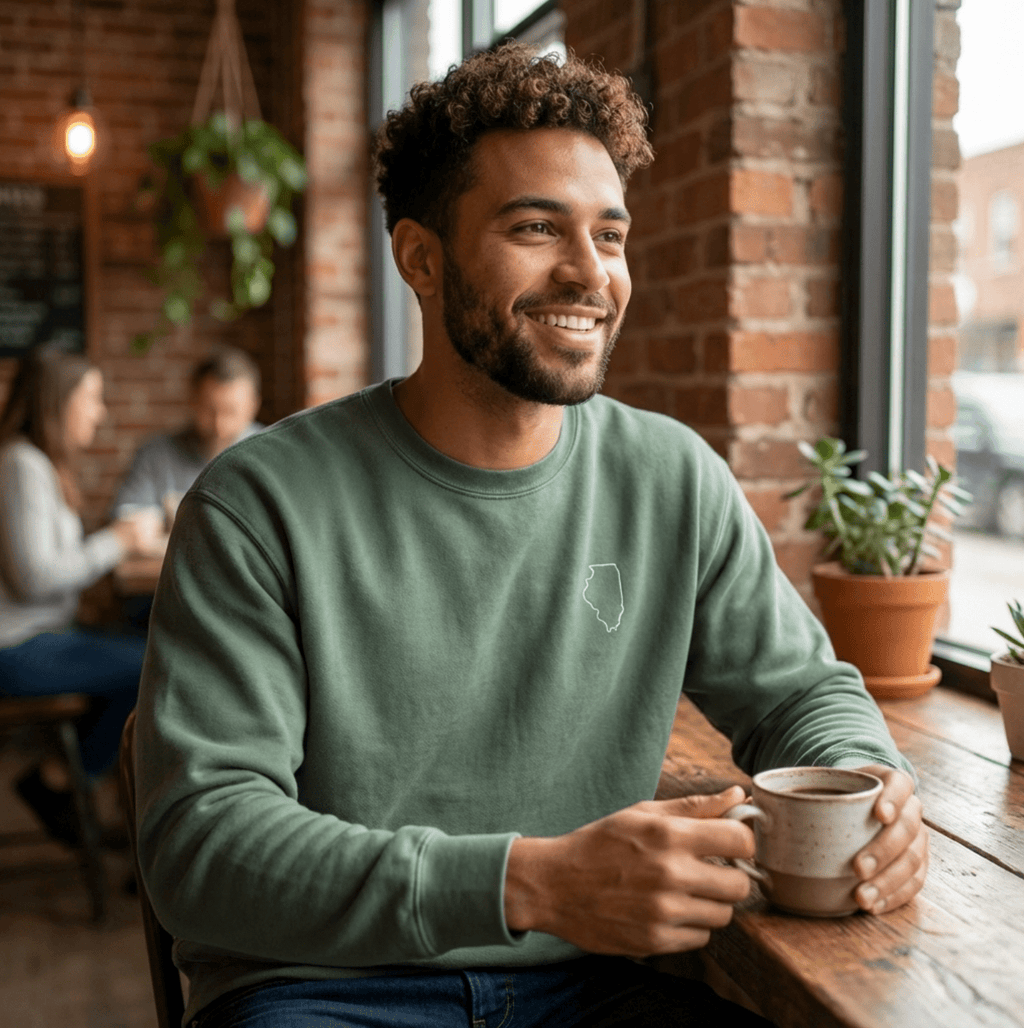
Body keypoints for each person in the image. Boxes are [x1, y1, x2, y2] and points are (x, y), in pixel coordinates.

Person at [133, 44, 928, 1028]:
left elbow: (803, 693)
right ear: (420, 258)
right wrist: (530, 884)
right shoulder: (257, 503)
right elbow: (201, 848)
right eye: (537, 227)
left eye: (610, 234)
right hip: (323, 987)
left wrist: (877, 791)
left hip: (593, 985)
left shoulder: (673, 478)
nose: (589, 272)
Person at [0, 343, 160, 845]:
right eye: (91, 397)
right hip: (16, 648)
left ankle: (69, 782)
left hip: (41, 637)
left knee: (145, 637)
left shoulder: (35, 464)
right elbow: (35, 577)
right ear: (58, 401)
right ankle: (58, 782)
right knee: (155, 662)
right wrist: (118, 542)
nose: (99, 412)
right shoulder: (21, 465)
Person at [112, 346, 262, 522]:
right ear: (193, 401)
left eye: (230, 412)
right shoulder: (156, 455)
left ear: (253, 406)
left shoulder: (271, 456)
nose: (219, 426)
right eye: (209, 410)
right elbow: (125, 518)